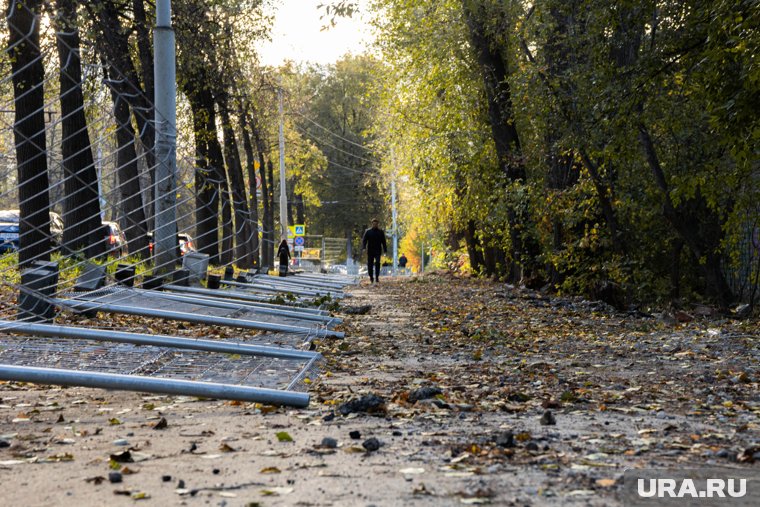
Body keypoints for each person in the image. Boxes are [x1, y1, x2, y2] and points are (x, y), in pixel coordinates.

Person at [361, 218, 387, 283]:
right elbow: (364, 240)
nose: (375, 225)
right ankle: (371, 277)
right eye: (374, 224)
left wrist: (385, 250)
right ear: (372, 224)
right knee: (370, 264)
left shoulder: (380, 232)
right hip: (370, 251)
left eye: (376, 224)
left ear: (378, 224)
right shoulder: (368, 232)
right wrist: (364, 247)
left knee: (377, 263)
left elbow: (383, 242)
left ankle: (377, 277)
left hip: (378, 250)